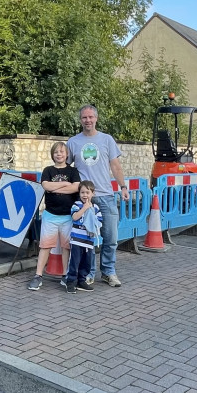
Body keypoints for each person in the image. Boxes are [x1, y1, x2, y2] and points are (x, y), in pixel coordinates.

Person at [67, 104, 129, 287]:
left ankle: (108, 272)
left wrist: (123, 186)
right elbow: (67, 167)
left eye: (90, 117)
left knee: (110, 238)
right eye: (84, 118)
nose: (88, 120)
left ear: (96, 118)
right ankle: (88, 273)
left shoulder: (107, 140)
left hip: (106, 195)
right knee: (88, 239)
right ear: (80, 120)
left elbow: (115, 166)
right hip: (85, 198)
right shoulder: (73, 142)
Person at [27, 142, 80, 291]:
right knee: (45, 245)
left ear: (67, 154)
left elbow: (75, 187)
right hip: (50, 215)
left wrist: (56, 186)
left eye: (62, 152)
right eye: (56, 152)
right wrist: (65, 185)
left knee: (66, 247)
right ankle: (38, 275)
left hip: (68, 216)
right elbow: (46, 186)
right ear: (52, 154)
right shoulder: (48, 170)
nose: (59, 154)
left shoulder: (73, 171)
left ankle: (65, 275)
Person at [66, 181, 103, 293]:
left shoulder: (96, 208)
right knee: (74, 262)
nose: (85, 195)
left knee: (86, 262)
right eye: (82, 192)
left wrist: (90, 210)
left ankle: (81, 281)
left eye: (87, 192)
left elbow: (99, 223)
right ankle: (70, 282)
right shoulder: (76, 205)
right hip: (77, 240)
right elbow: (75, 217)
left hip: (88, 241)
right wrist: (85, 208)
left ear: (93, 193)